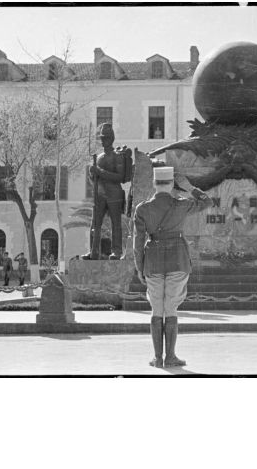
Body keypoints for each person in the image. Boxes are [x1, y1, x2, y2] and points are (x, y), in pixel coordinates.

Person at [133, 166, 212, 368]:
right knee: (171, 309)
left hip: (153, 262)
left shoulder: (142, 209)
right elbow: (207, 202)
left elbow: (138, 241)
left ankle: (158, 358)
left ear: (154, 184)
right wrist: (190, 187)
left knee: (156, 310)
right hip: (178, 260)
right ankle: (171, 357)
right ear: (171, 185)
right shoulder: (182, 204)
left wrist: (140, 267)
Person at [82, 123, 125, 260]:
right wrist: (92, 174)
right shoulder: (99, 157)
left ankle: (116, 251)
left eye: (106, 138)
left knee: (116, 224)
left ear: (111, 138)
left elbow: (120, 176)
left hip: (114, 194)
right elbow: (95, 180)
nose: (103, 140)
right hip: (100, 194)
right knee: (95, 224)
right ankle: (93, 250)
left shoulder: (117, 156)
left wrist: (99, 171)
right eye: (102, 138)